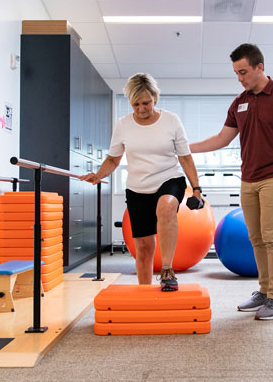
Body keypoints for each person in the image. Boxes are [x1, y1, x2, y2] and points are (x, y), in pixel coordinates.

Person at [190, 43, 273, 320]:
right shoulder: (239, 102)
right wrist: (184, 147)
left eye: (243, 72)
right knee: (256, 238)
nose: (239, 78)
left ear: (259, 67)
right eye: (236, 73)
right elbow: (221, 139)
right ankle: (264, 292)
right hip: (248, 179)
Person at [81, 73, 203, 291]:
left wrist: (196, 189)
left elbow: (185, 157)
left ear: (155, 97)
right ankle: (145, 292)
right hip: (137, 188)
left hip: (169, 178)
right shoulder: (123, 125)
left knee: (165, 207)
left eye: (146, 102)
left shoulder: (171, 120)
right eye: (135, 104)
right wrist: (98, 175)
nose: (141, 108)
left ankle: (167, 271)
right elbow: (113, 159)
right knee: (144, 247)